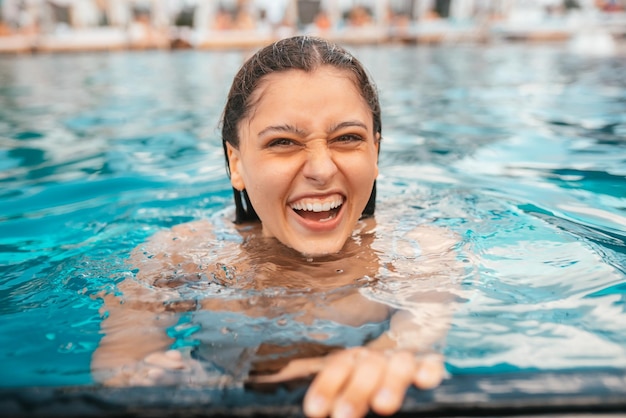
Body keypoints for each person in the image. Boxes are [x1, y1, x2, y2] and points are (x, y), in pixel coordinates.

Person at [92, 35, 461, 418]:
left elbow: (419, 331)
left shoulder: (420, 253)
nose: (321, 170)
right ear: (236, 163)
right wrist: (149, 379)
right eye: (283, 142)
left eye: (348, 138)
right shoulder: (177, 257)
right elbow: (120, 362)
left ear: (376, 151)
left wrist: (383, 358)